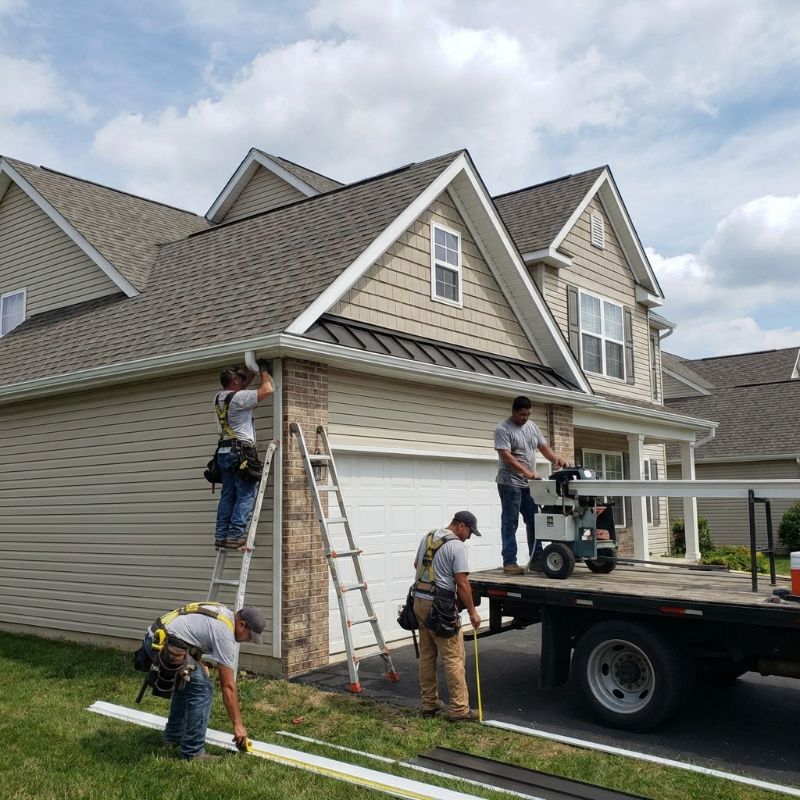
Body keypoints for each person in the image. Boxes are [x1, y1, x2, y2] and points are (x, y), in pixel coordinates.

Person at [140, 602, 265, 761]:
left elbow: (191, 635)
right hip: (164, 645)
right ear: (242, 624)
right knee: (202, 689)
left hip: (158, 637)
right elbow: (228, 687)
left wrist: (198, 663)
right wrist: (238, 725)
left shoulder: (223, 614)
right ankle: (192, 752)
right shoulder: (225, 634)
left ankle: (172, 738)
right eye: (250, 636)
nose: (249, 640)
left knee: (187, 684)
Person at [412, 511, 482, 722]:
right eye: (469, 531)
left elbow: (417, 565)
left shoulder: (429, 537)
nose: (469, 537)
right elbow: (462, 582)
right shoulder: (457, 546)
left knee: (427, 655)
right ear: (461, 525)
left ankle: (429, 704)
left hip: (419, 600)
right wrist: (472, 612)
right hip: (441, 606)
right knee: (453, 658)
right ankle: (460, 710)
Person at [494, 396, 567, 574]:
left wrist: (555, 458)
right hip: (510, 484)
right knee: (510, 522)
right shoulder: (503, 429)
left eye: (528, 414)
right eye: (522, 414)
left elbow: (543, 447)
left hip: (529, 485)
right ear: (513, 412)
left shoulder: (532, 427)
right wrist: (526, 472)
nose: (525, 418)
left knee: (535, 520)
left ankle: (536, 559)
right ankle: (509, 562)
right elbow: (506, 456)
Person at [213, 363, 273, 549]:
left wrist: (248, 370)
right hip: (240, 452)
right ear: (236, 381)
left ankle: (222, 535)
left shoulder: (219, 397)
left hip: (223, 451)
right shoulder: (239, 398)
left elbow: (241, 389)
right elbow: (267, 389)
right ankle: (237, 535)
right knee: (246, 493)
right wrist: (263, 369)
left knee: (228, 495)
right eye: (240, 378)